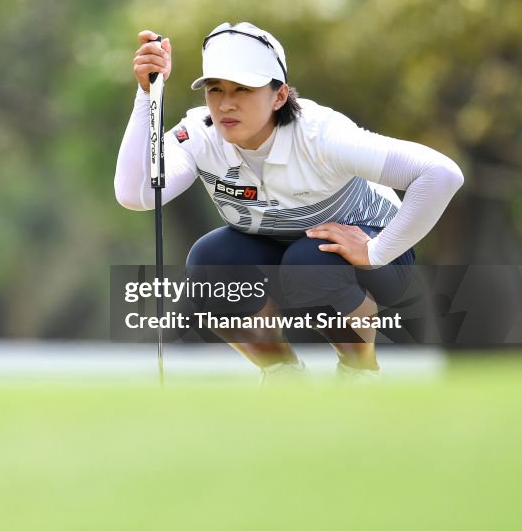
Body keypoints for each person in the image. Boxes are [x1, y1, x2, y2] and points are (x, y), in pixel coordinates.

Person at [115, 22, 464, 383]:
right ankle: (283, 373)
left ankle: (360, 370)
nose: (225, 104)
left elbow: (441, 174)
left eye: (243, 89)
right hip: (276, 248)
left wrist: (376, 250)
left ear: (279, 96)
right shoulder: (201, 134)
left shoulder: (322, 136)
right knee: (209, 264)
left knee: (309, 262)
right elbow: (135, 194)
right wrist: (147, 96)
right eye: (215, 89)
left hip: (376, 260)